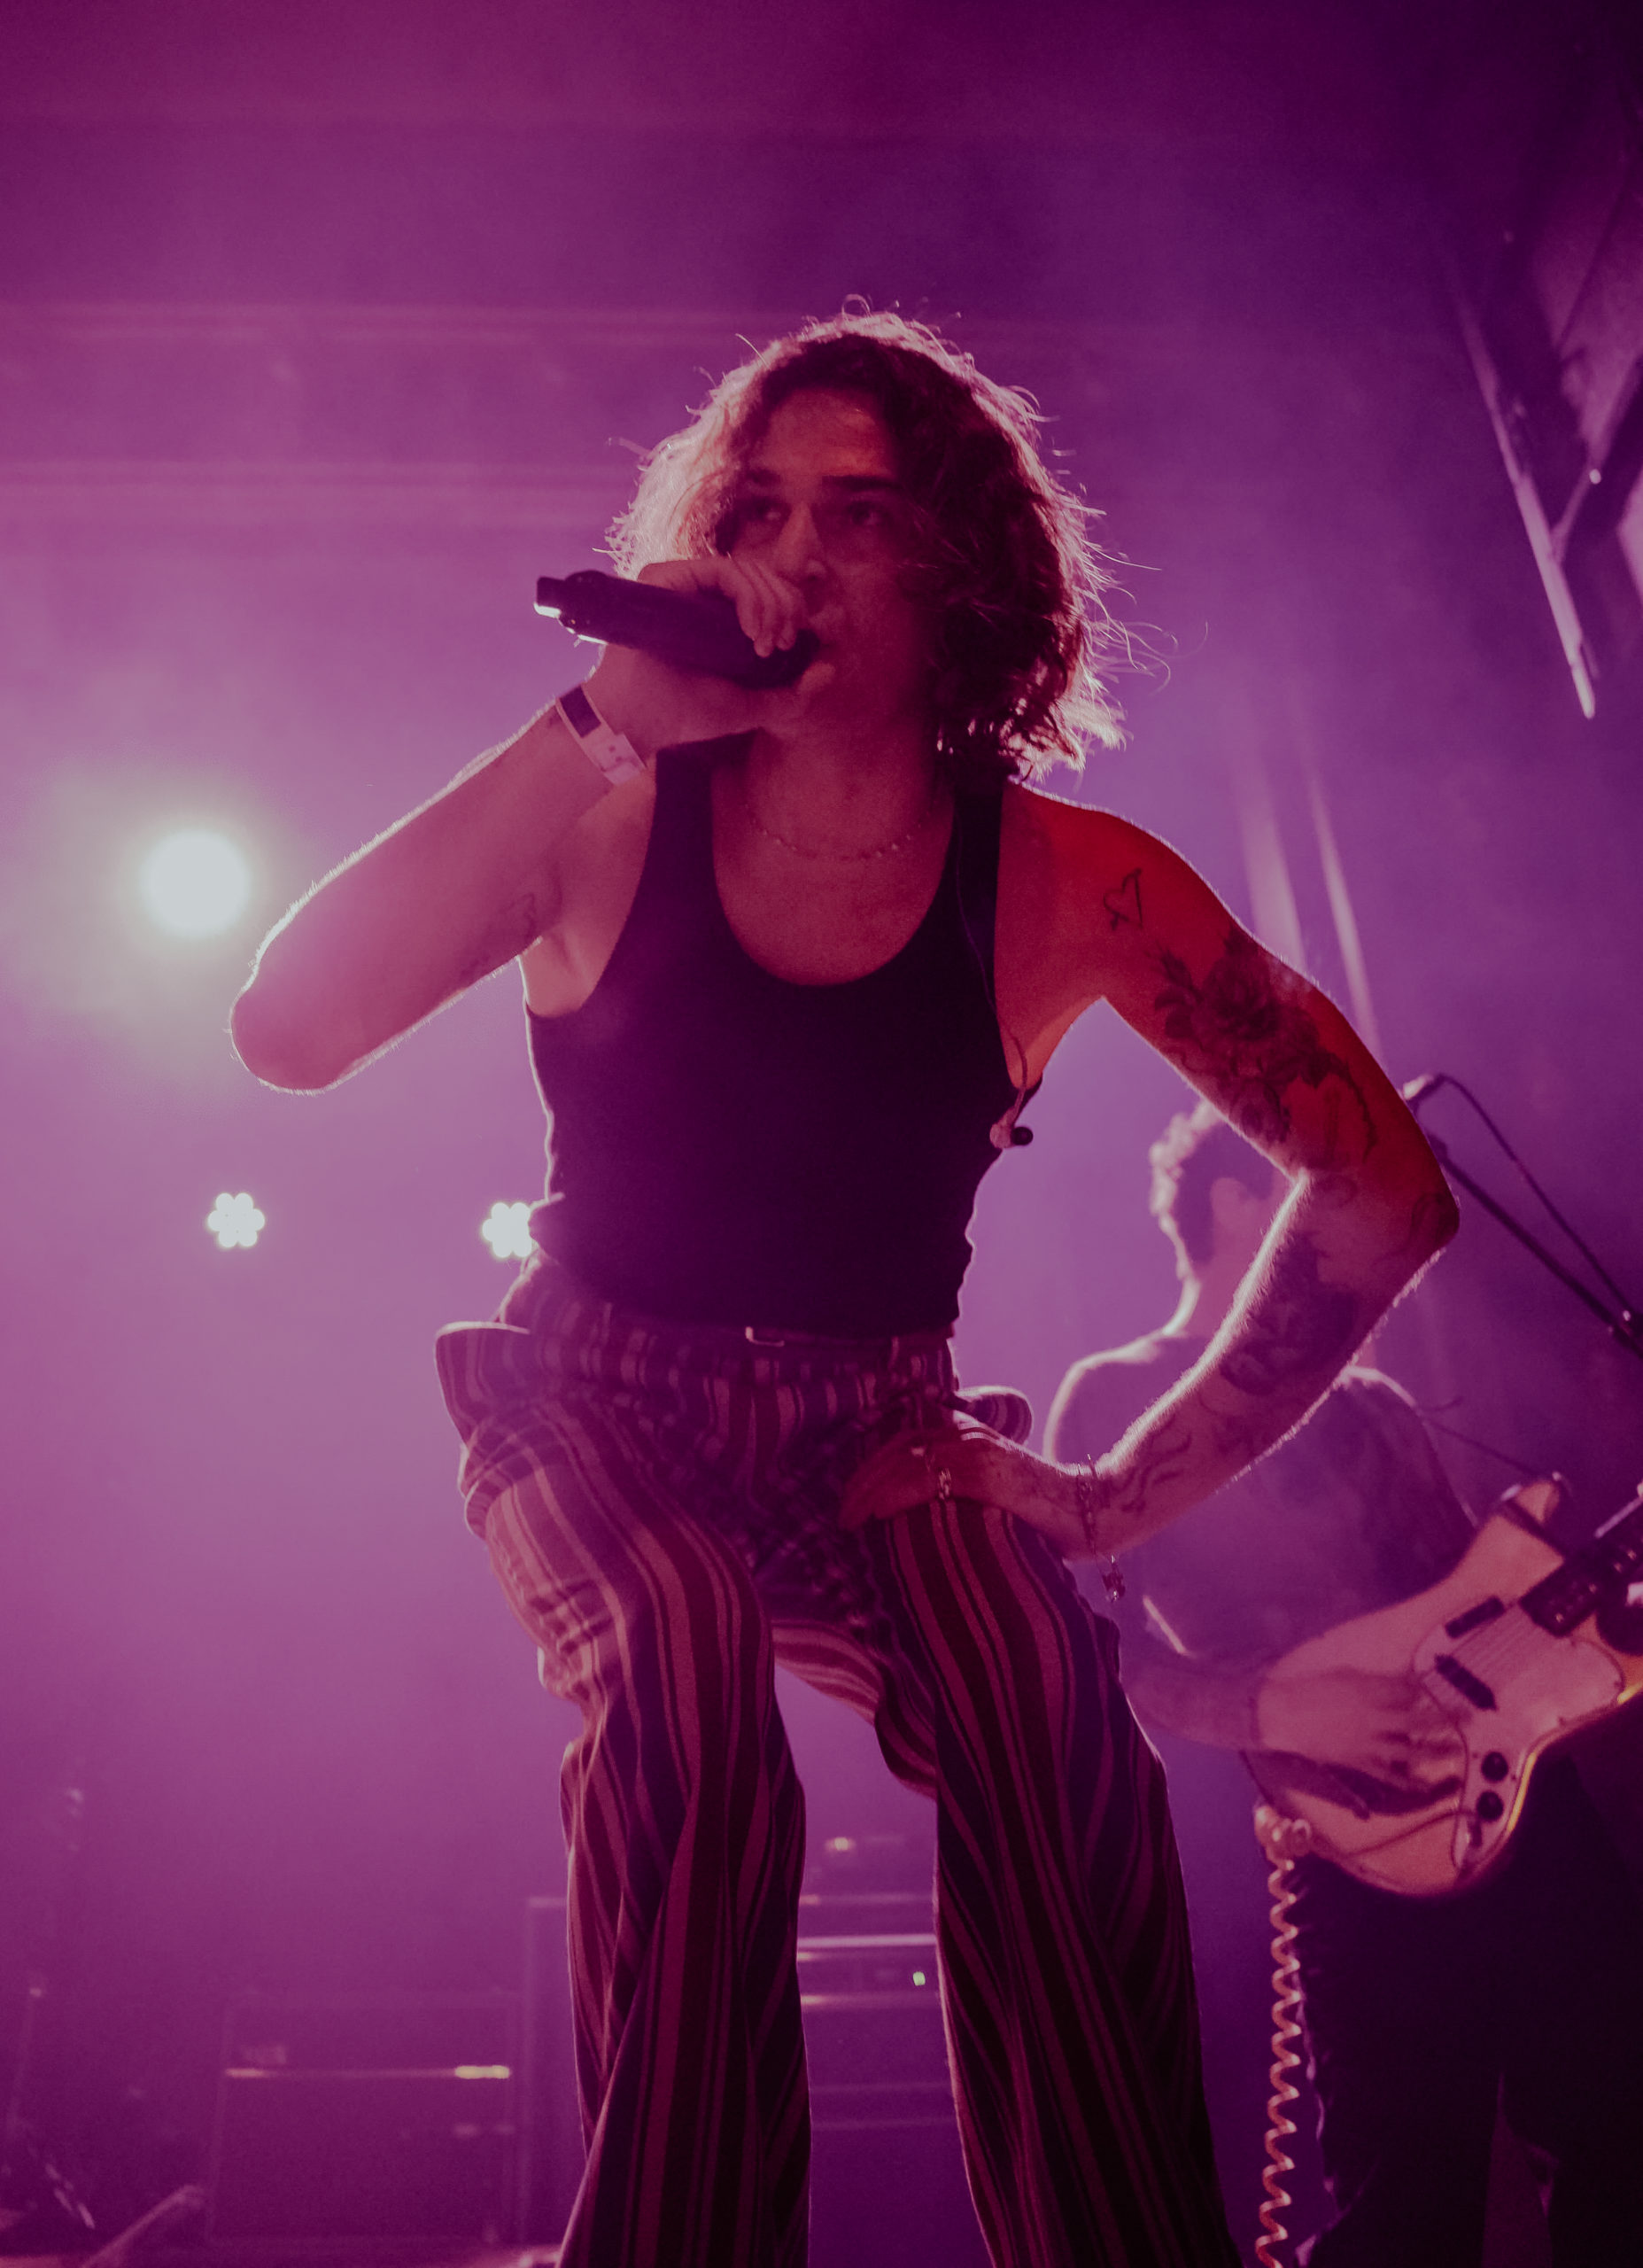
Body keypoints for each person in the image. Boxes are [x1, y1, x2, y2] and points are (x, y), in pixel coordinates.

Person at [230, 311, 1454, 2268]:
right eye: (759, 508)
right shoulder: (610, 809)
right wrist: (596, 720)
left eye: (859, 511)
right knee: (682, 1652)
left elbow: (1383, 1185)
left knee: (1050, 1698)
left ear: (963, 565)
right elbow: (288, 1031)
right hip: (595, 1397)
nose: (792, 553)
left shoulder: (1070, 879)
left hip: (880, 1424)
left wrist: (1112, 1495)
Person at [1047, 1102, 1643, 2266]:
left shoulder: (1372, 1401)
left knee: (1623, 2138)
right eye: (1322, 1188)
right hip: (1354, 1835)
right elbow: (1083, 1641)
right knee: (1405, 2206)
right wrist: (1269, 1707)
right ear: (1236, 1201)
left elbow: (1472, 1604)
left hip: (1521, 1802)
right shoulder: (1121, 1392)